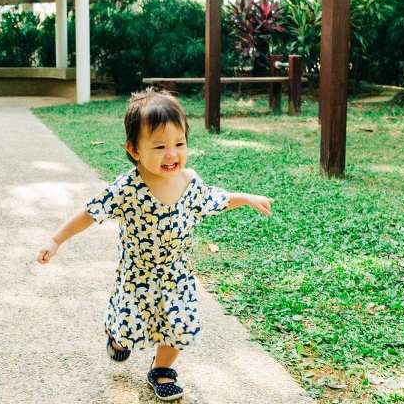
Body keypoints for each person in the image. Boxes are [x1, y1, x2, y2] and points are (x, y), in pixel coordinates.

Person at [37, 88, 273, 401]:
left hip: (177, 273)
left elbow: (215, 198)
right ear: (134, 150)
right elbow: (90, 213)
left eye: (179, 144)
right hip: (137, 276)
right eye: (159, 146)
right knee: (129, 326)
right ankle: (117, 337)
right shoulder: (127, 188)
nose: (171, 154)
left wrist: (246, 198)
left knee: (179, 324)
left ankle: (161, 369)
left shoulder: (190, 182)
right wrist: (56, 240)